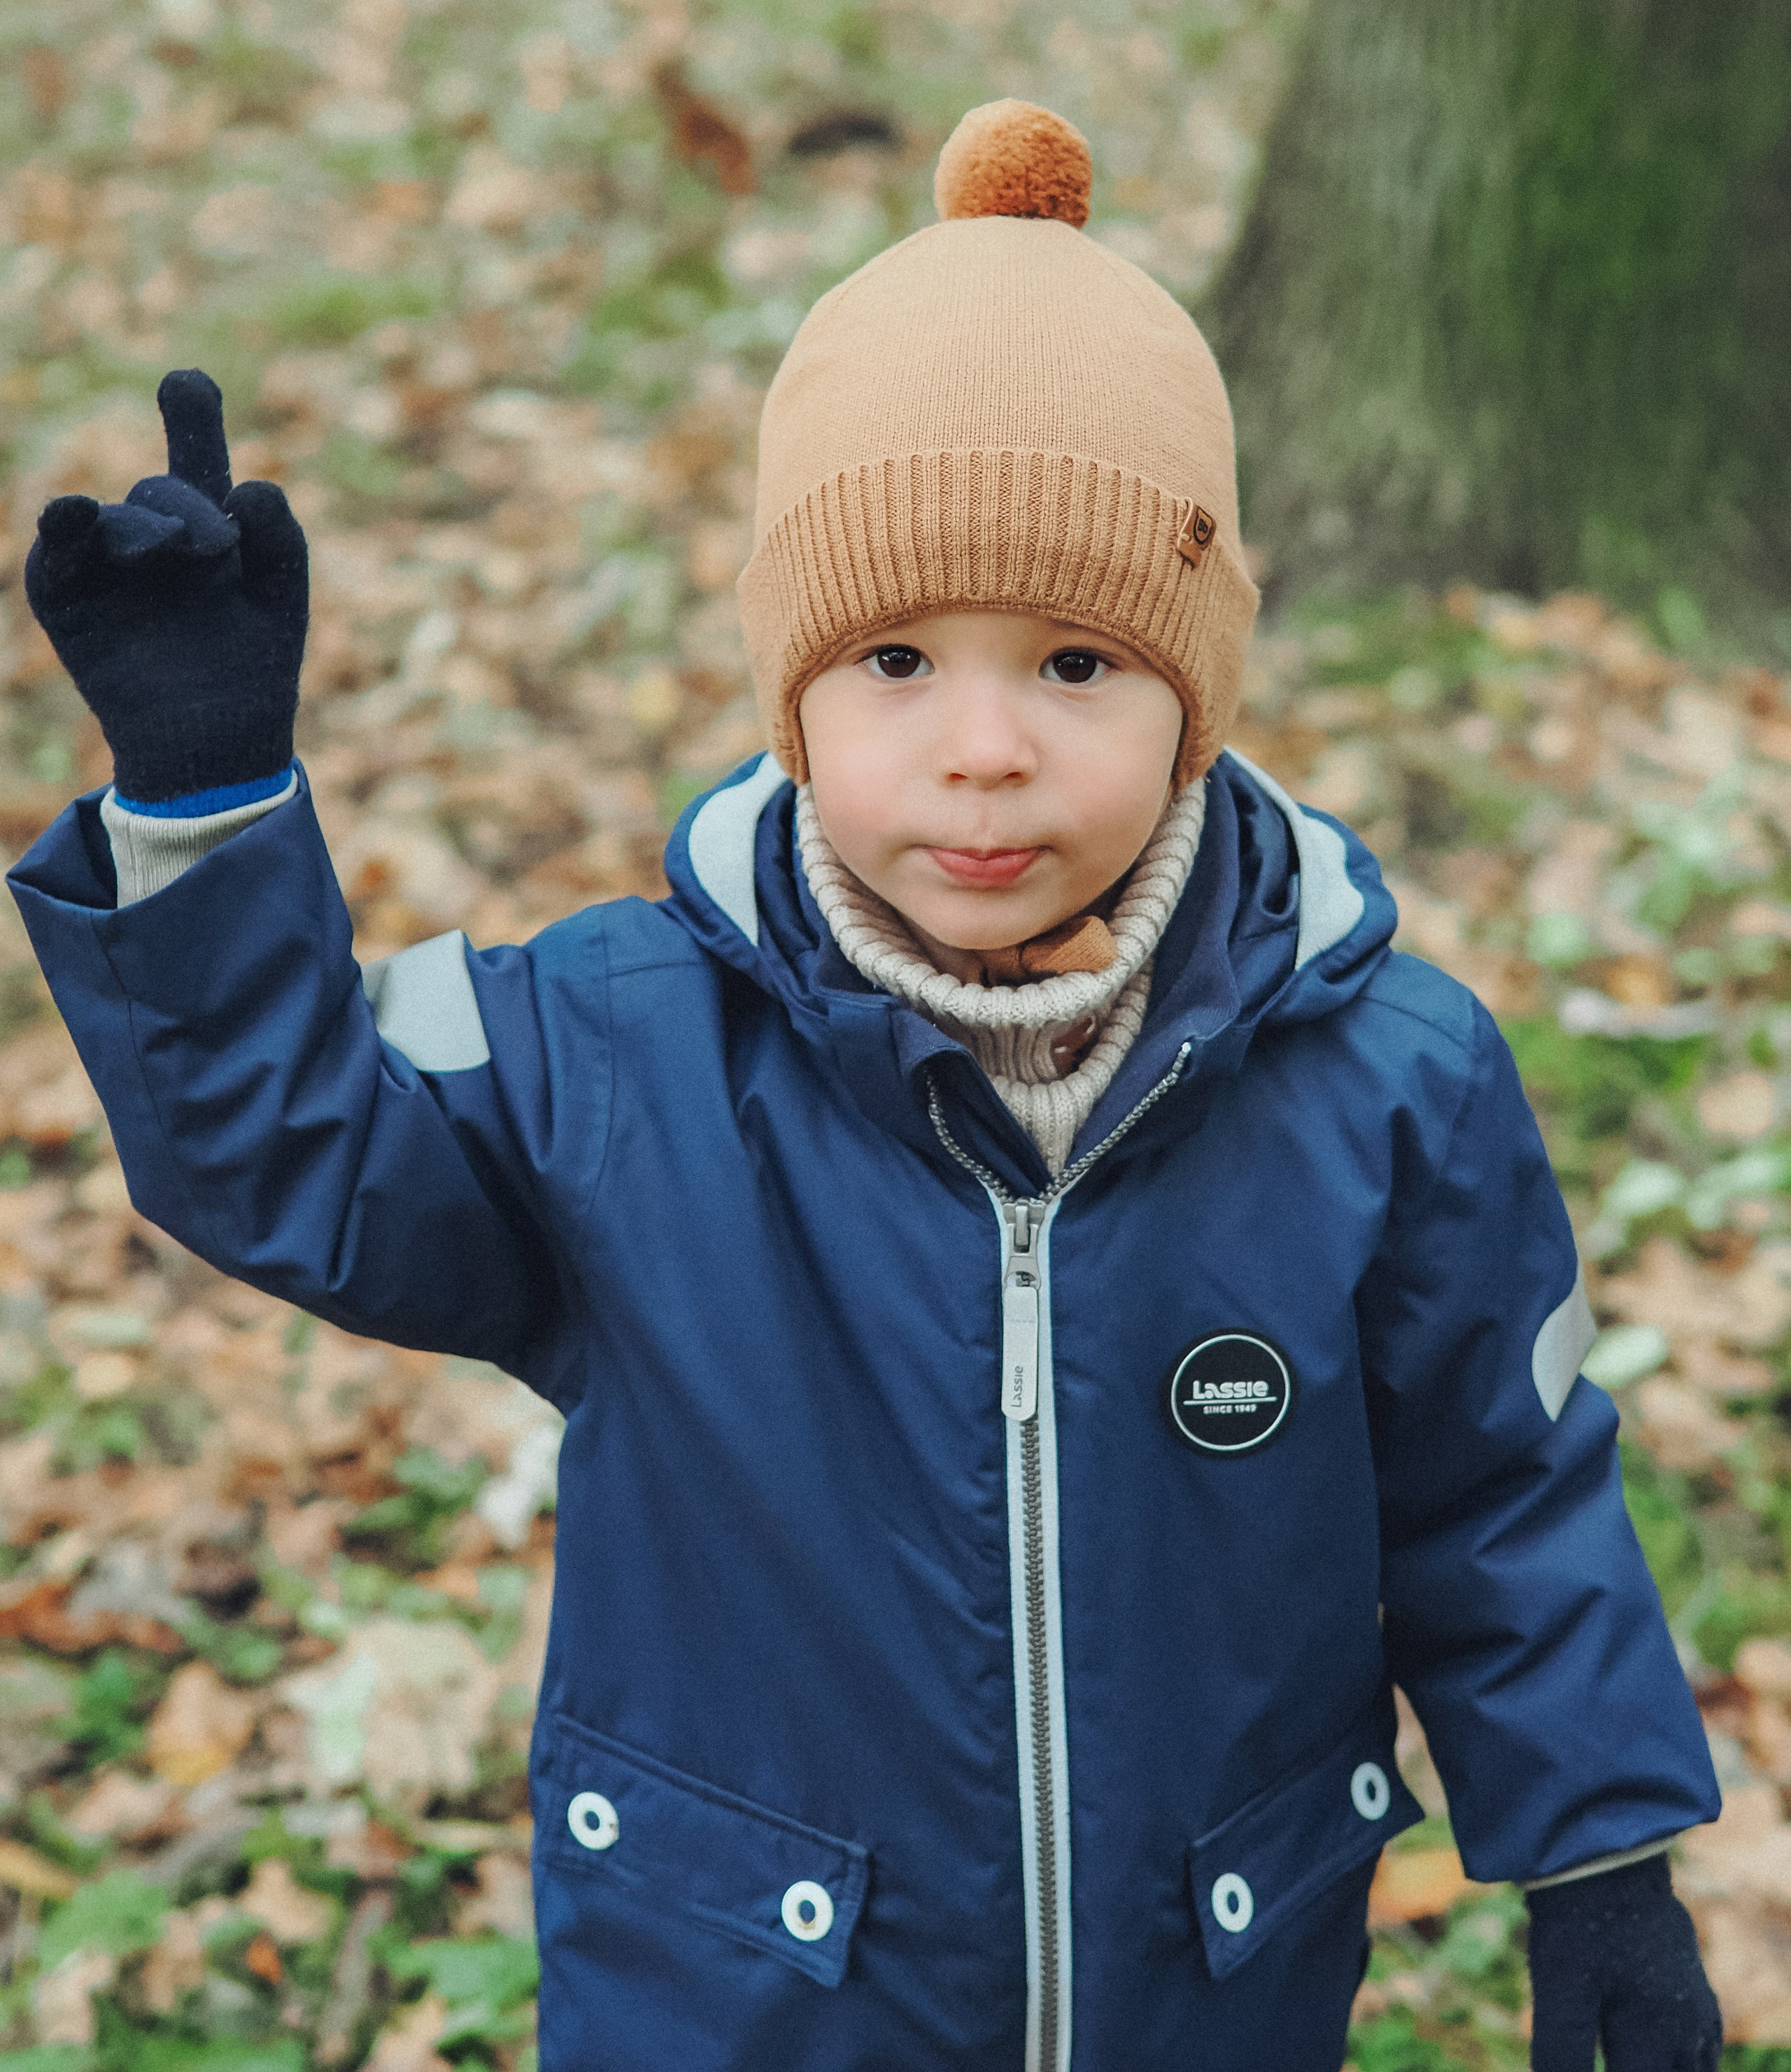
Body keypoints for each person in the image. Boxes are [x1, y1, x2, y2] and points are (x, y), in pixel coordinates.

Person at [10, 100, 1723, 2072]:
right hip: (749, 1993)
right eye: (898, 660)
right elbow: (293, 1154)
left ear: (1195, 693)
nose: (982, 748)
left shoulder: (1388, 1079)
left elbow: (1503, 1492)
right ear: (796, 693)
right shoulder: (614, 1051)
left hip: (1207, 1988)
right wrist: (208, 803)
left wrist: (1602, 1860)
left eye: (1075, 665)